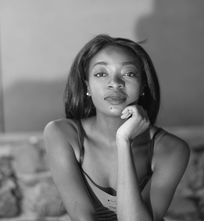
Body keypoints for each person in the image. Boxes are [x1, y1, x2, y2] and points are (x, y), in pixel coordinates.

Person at [44, 34, 190, 221]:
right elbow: (83, 217)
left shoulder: (171, 149)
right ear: (87, 85)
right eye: (101, 74)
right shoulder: (62, 134)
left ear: (143, 85)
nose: (115, 83)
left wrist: (123, 141)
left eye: (129, 74)